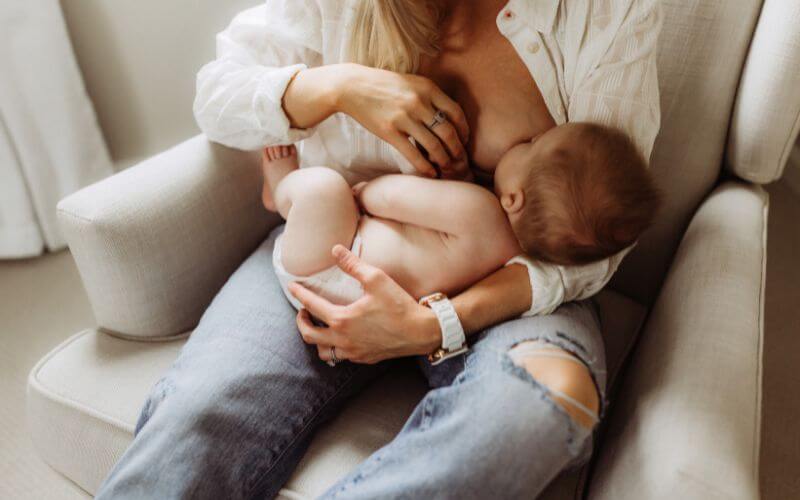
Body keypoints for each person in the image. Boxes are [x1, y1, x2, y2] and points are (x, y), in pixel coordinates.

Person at [96, 1, 662, 498]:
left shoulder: (605, 10)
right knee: (199, 410)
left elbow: (604, 232)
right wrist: (339, 88)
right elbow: (216, 91)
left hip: (513, 288)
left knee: (538, 406)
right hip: (336, 245)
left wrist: (438, 322)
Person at [264, 122, 659, 320]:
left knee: (326, 189)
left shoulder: (480, 211)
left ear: (513, 197)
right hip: (368, 309)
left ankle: (280, 188)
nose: (529, 138)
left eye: (533, 146)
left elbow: (391, 196)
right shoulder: (508, 257)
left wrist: (363, 193)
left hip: (331, 268)